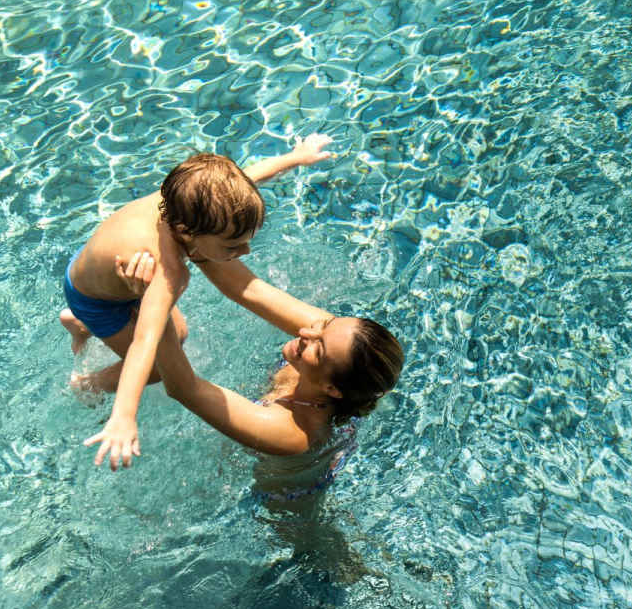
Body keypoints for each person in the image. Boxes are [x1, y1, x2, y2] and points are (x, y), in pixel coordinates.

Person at [60, 135, 332, 470]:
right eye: (232, 246)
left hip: (91, 264)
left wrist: (296, 157)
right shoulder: (168, 272)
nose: (245, 252)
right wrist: (124, 415)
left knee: (179, 333)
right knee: (158, 368)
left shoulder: (184, 198)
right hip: (97, 300)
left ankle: (79, 327)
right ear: (186, 232)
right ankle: (87, 383)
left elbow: (246, 178)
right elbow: (145, 341)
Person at [114, 250, 404, 507]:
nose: (307, 332)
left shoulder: (294, 433)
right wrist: (193, 239)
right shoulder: (336, 344)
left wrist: (152, 301)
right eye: (326, 324)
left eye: (318, 347)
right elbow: (247, 288)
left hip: (287, 505)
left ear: (331, 388)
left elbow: (184, 389)